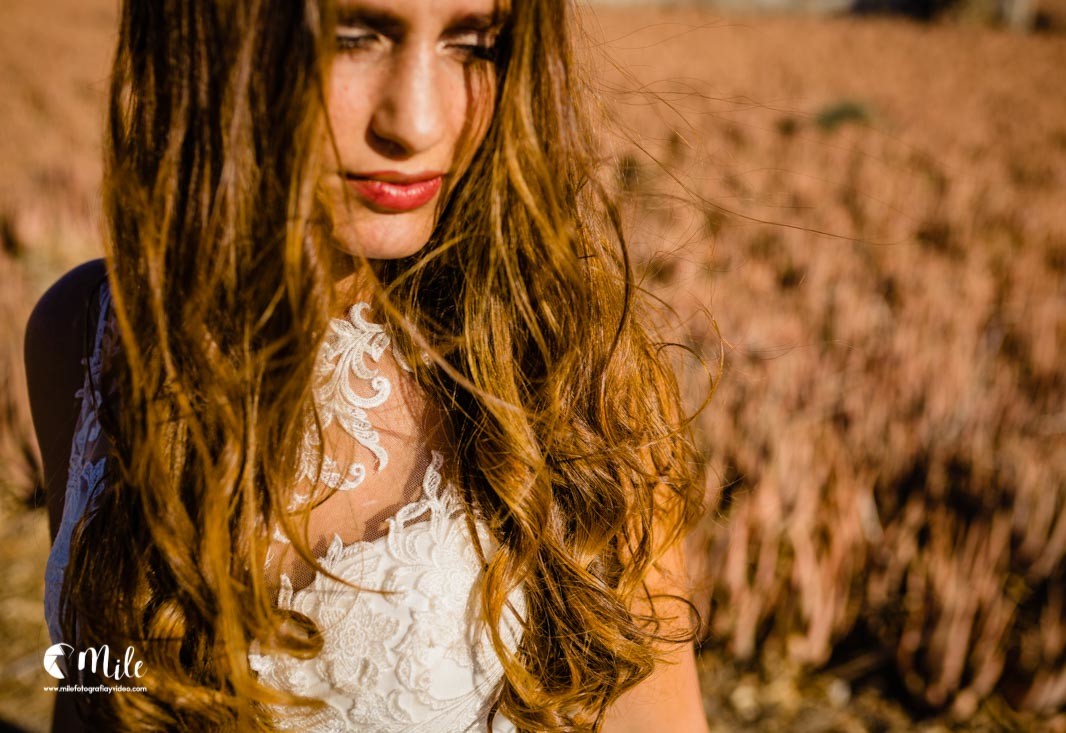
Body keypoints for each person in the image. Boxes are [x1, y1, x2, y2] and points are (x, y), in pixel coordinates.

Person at [25, 0, 710, 730]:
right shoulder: (87, 335)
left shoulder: (572, 373)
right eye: (352, 37)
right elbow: (95, 693)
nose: (417, 123)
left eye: (473, 42)